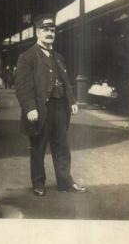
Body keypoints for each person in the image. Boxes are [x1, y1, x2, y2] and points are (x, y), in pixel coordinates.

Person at [15, 13, 87, 196]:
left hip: (60, 109)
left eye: (52, 30)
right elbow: (23, 86)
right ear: (37, 33)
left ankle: (65, 182)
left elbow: (65, 80)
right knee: (38, 148)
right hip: (40, 109)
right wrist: (30, 107)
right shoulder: (27, 57)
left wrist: (71, 101)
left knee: (62, 147)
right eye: (45, 30)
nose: (49, 33)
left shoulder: (59, 57)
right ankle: (39, 184)